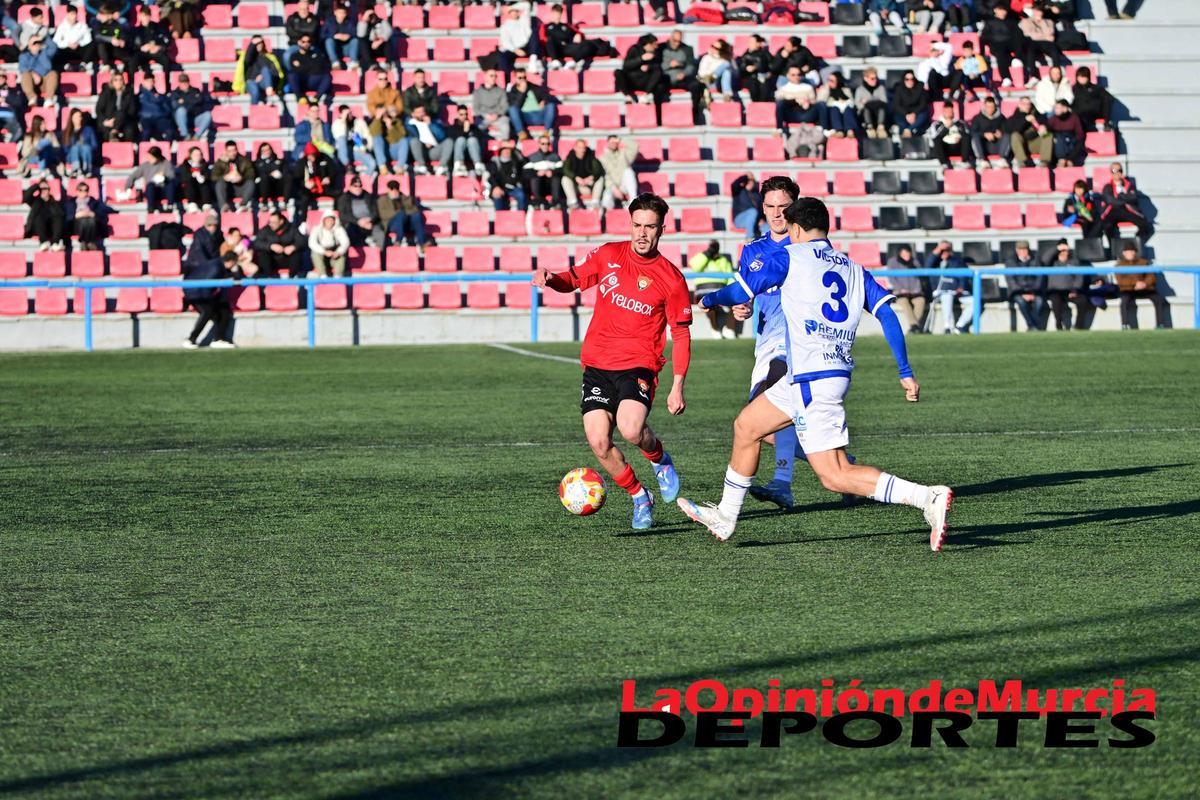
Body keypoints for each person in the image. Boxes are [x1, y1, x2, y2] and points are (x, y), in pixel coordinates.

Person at [678, 197, 952, 551]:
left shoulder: (789, 256)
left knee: (835, 475)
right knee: (746, 427)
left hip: (813, 378)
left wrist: (708, 300)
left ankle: (927, 497)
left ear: (794, 228)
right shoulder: (853, 268)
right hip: (814, 372)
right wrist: (904, 370)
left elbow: (741, 291)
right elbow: (887, 314)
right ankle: (726, 517)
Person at [531, 193, 691, 531]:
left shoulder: (671, 278)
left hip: (638, 364)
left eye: (650, 227)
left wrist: (677, 385)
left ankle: (660, 459)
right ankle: (638, 496)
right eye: (637, 226)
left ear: (662, 228)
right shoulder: (608, 254)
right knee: (599, 442)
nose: (642, 233)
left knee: (632, 429)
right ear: (629, 224)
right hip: (598, 364)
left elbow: (682, 333)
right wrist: (551, 278)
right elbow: (573, 279)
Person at [182, 250, 239, 350]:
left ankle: (219, 339)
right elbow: (206, 287)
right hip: (195, 294)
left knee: (224, 310)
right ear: (231, 262)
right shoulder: (216, 268)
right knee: (207, 311)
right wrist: (211, 301)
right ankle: (191, 339)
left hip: (197, 292)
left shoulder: (218, 264)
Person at [689, 239, 738, 339]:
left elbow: (730, 277)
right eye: (712, 247)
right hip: (703, 290)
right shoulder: (701, 257)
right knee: (709, 304)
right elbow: (695, 267)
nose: (714, 249)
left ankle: (729, 329)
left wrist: (732, 292)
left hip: (720, 290)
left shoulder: (723, 260)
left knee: (737, 301)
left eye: (715, 247)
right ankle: (715, 329)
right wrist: (708, 253)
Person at [1115, 241, 1168, 330]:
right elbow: (1121, 281)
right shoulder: (1119, 265)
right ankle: (1125, 325)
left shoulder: (1143, 262)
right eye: (1128, 251)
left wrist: (1144, 284)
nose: (1130, 253)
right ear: (1123, 253)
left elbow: (1151, 276)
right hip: (1128, 290)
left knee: (1158, 299)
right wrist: (1135, 283)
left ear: (1135, 252)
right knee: (1124, 302)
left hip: (1145, 289)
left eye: (1132, 251)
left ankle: (1160, 324)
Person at [1099, 163, 1153, 244]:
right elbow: (1110, 200)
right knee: (1107, 226)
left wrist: (1119, 196)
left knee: (1145, 225)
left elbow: (1133, 197)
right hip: (1112, 211)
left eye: (1120, 170)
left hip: (1127, 210)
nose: (1117, 173)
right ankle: (1114, 250)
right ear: (1111, 172)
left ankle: (1133, 246)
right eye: (1114, 170)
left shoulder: (1129, 185)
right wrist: (1125, 197)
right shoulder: (1107, 187)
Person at [928, 240, 972, 333]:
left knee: (975, 301)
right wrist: (939, 249)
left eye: (946, 250)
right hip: (941, 293)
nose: (944, 252)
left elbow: (963, 277)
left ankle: (960, 325)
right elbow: (927, 265)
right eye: (942, 250)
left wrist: (961, 287)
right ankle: (947, 326)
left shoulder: (957, 262)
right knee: (946, 295)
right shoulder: (934, 262)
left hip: (957, 292)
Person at [1043, 239, 1087, 330]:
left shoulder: (1073, 261)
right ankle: (1059, 325)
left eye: (1065, 250)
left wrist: (1074, 289)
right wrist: (1057, 249)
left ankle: (1078, 327)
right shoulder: (1051, 262)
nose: (1063, 253)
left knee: (1082, 301)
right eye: (1061, 251)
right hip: (1055, 291)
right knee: (1056, 301)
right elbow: (1044, 259)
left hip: (1070, 291)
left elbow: (1079, 277)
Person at [980, 4, 1027, 88]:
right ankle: (1006, 77)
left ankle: (1017, 59)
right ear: (995, 10)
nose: (1003, 12)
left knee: (1020, 40)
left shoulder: (1011, 21)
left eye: (1004, 10)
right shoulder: (990, 22)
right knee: (1000, 53)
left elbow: (1018, 34)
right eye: (1000, 10)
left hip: (1009, 43)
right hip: (996, 44)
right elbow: (984, 37)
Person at [886, 245, 928, 334]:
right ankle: (914, 326)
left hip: (915, 292)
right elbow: (891, 278)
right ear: (900, 254)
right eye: (904, 254)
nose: (907, 256)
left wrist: (916, 289)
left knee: (921, 301)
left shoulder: (915, 262)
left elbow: (919, 278)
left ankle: (913, 327)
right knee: (904, 302)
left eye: (908, 253)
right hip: (900, 292)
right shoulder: (892, 262)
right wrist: (901, 289)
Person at [1005, 240, 1046, 331]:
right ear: (1017, 250)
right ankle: (1032, 325)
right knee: (1021, 302)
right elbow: (1011, 281)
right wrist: (1022, 293)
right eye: (1021, 249)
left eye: (1025, 249)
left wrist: (1033, 292)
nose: (1023, 252)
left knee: (1039, 301)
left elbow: (1040, 278)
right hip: (1017, 292)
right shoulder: (1010, 261)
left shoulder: (1036, 260)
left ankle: (1033, 326)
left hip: (1034, 291)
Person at [507, 68, 557, 142]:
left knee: (551, 106)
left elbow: (547, 97)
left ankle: (546, 132)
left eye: (524, 77)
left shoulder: (533, 87)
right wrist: (522, 92)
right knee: (512, 109)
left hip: (539, 114)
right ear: (515, 78)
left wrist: (544, 101)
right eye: (520, 78)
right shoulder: (512, 91)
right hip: (524, 117)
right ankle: (521, 132)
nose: (523, 80)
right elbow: (516, 106)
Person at [378, 180, 430, 250]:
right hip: (391, 223)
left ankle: (422, 243)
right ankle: (398, 240)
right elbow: (383, 214)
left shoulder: (405, 198)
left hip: (407, 223)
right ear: (388, 190)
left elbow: (414, 210)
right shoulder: (382, 200)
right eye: (392, 189)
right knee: (401, 215)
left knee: (417, 216)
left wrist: (403, 212)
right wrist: (398, 213)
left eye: (396, 189)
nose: (394, 191)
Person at [234, 35, 284, 106]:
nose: (259, 45)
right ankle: (255, 109)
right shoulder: (249, 57)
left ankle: (269, 92)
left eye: (260, 43)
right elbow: (247, 59)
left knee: (265, 70)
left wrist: (263, 76)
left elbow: (275, 72)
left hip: (264, 82)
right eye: (256, 44)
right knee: (255, 92)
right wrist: (253, 45)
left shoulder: (269, 57)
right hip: (251, 81)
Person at [335, 175, 384, 248]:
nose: (358, 188)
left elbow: (375, 212)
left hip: (369, 223)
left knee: (380, 233)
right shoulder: (343, 198)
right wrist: (358, 221)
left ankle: (381, 256)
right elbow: (343, 215)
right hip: (353, 224)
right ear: (350, 186)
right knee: (351, 231)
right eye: (355, 186)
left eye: (360, 186)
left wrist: (370, 220)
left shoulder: (368, 196)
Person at [123, 144, 176, 210]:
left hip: (163, 190)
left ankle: (170, 205)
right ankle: (151, 207)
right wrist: (127, 188)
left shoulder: (166, 164)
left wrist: (163, 177)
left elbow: (171, 176)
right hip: (151, 191)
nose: (150, 159)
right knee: (150, 185)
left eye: (152, 157)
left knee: (170, 184)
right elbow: (133, 176)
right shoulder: (145, 165)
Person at [617, 34, 665, 106]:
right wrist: (641, 59)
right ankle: (628, 96)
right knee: (618, 72)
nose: (656, 46)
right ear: (648, 45)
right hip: (633, 80)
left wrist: (649, 67)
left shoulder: (656, 52)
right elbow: (626, 65)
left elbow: (658, 66)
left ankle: (645, 95)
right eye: (654, 44)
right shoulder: (634, 49)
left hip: (646, 81)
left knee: (658, 73)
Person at [253, 210, 304, 277]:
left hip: (287, 259)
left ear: (281, 221)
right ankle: (268, 277)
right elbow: (257, 243)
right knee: (262, 253)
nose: (271, 224)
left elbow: (302, 241)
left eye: (274, 222)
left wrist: (293, 247)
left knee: (297, 253)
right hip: (272, 260)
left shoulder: (292, 229)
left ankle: (293, 277)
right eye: (270, 222)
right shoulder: (265, 230)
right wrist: (270, 246)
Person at [404, 105, 451, 176]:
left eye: (423, 112)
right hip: (419, 151)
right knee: (414, 141)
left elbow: (442, 136)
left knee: (449, 141)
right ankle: (421, 167)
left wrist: (431, 124)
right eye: (419, 112)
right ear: (413, 114)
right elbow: (409, 138)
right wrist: (423, 143)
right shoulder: (409, 124)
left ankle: (442, 167)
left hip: (434, 150)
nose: (422, 114)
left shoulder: (434, 122)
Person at [495, 1, 540, 74]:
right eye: (512, 11)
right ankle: (508, 79)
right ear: (509, 13)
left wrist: (510, 7)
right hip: (514, 50)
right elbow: (505, 42)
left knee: (534, 32)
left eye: (516, 10)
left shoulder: (524, 19)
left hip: (527, 48)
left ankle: (532, 62)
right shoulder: (505, 26)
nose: (515, 12)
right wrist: (516, 50)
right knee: (502, 56)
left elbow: (527, 5)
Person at [287, 33, 333, 105]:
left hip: (314, 80)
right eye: (303, 42)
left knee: (327, 76)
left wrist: (301, 66)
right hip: (302, 82)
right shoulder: (294, 56)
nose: (306, 44)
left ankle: (316, 98)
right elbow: (294, 70)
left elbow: (321, 68)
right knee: (291, 75)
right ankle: (299, 98)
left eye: (308, 41)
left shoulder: (316, 54)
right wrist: (310, 66)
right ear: (299, 42)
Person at [293, 141, 336, 216]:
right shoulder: (301, 163)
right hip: (309, 189)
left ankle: (335, 215)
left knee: (339, 195)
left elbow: (333, 171)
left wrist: (329, 178)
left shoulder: (324, 158)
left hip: (324, 187)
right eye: (310, 155)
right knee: (304, 198)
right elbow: (296, 178)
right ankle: (303, 221)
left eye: (314, 154)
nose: (312, 157)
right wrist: (304, 183)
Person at [522, 135, 565, 210]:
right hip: (538, 187)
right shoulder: (532, 157)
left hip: (551, 186)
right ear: (539, 144)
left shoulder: (555, 157)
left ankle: (556, 204)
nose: (545, 146)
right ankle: (538, 204)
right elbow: (525, 173)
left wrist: (552, 172)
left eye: (548, 144)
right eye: (543, 143)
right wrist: (537, 173)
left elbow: (562, 171)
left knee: (556, 179)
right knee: (534, 179)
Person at [211, 141, 256, 212]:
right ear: (226, 151)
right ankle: (224, 207)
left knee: (251, 183)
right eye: (230, 151)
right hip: (227, 189)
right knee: (219, 183)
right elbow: (213, 177)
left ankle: (243, 205)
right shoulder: (220, 162)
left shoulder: (244, 160)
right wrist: (225, 177)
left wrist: (241, 178)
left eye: (234, 150)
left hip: (240, 188)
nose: (233, 152)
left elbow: (251, 174)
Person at [561, 138, 605, 210]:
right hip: (576, 187)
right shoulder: (570, 157)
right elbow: (565, 170)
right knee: (565, 179)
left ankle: (595, 202)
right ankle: (573, 203)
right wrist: (576, 178)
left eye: (584, 148)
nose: (582, 150)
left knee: (600, 178)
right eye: (580, 147)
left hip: (588, 186)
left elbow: (598, 170)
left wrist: (591, 177)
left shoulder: (591, 156)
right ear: (575, 148)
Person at [1006, 96, 1050, 167]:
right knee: (1014, 135)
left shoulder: (1037, 115)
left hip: (1035, 144)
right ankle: (1021, 162)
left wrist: (1044, 127)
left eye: (1028, 104)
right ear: (1019, 105)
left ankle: (1044, 162)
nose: (1027, 106)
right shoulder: (1013, 118)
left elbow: (1047, 124)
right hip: (1021, 146)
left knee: (1048, 135)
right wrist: (1025, 120)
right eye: (1024, 104)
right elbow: (1011, 130)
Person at [331, 104, 377, 173]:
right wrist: (344, 121)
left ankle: (362, 178)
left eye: (349, 113)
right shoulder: (337, 124)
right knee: (341, 140)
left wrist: (365, 148)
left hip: (358, 149)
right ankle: (347, 165)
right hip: (344, 152)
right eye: (346, 114)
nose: (348, 115)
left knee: (372, 164)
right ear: (340, 114)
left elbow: (367, 136)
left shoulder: (359, 122)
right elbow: (340, 138)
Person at [23, 179, 66, 251]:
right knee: (38, 217)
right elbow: (26, 197)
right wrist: (37, 186)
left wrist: (51, 201)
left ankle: (55, 243)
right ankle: (43, 242)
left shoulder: (54, 202)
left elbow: (60, 214)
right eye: (42, 189)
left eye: (46, 188)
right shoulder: (35, 201)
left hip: (51, 229)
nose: (44, 190)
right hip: (38, 228)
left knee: (58, 217)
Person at [95, 72, 138, 143]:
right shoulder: (106, 92)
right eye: (116, 80)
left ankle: (114, 131)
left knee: (129, 129)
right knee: (102, 130)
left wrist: (117, 120)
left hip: (125, 120)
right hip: (108, 119)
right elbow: (99, 109)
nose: (118, 82)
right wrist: (105, 121)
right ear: (112, 82)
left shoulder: (129, 93)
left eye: (120, 80)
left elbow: (132, 111)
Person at [598, 135, 638, 210]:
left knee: (628, 171)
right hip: (611, 187)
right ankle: (606, 215)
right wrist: (614, 189)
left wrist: (621, 139)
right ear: (607, 143)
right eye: (612, 142)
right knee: (607, 198)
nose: (614, 143)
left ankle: (633, 201)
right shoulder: (601, 158)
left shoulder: (624, 154)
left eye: (615, 142)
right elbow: (604, 176)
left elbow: (635, 147)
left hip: (624, 186)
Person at [471, 68, 511, 142]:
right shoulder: (477, 92)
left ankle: (504, 149)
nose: (494, 78)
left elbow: (505, 106)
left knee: (506, 127)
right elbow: (475, 108)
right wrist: (486, 115)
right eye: (491, 76)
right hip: (483, 117)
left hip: (498, 117)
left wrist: (496, 115)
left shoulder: (501, 91)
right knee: (476, 130)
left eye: (495, 76)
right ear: (485, 77)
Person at [1019, 3, 1064, 69]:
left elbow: (1050, 34)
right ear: (1033, 11)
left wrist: (1042, 22)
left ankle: (1056, 70)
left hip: (1046, 43)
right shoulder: (1025, 21)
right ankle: (1033, 74)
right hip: (1033, 43)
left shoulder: (1049, 22)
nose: (1038, 13)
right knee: (1030, 49)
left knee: (1055, 50)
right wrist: (1045, 37)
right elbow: (1029, 34)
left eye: (1040, 11)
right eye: (1036, 10)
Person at [444, 106, 485, 177]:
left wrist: (469, 130)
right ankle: (459, 166)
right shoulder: (452, 128)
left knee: (472, 139)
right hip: (457, 155)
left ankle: (478, 165)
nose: (464, 116)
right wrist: (465, 131)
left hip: (472, 155)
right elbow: (452, 141)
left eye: (466, 114)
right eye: (461, 114)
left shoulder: (473, 128)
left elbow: (479, 139)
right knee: (461, 139)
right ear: (457, 115)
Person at [129, 5, 170, 76]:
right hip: (142, 52)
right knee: (132, 61)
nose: (146, 17)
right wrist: (141, 48)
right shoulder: (135, 30)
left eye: (148, 15)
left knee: (166, 61)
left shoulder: (158, 27)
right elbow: (132, 44)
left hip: (155, 51)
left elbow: (165, 39)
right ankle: (133, 84)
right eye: (144, 15)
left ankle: (166, 84)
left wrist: (159, 47)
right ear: (140, 16)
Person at [18, 36, 58, 108]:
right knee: (25, 74)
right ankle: (32, 98)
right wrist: (33, 73)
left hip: (45, 82)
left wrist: (44, 39)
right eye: (34, 43)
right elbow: (22, 68)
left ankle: (48, 99)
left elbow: (54, 47)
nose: (36, 45)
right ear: (29, 45)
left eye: (38, 43)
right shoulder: (24, 55)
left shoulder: (45, 53)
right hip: (31, 83)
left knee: (53, 73)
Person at [308, 210, 350, 278]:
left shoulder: (339, 229)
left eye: (331, 220)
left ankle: (338, 276)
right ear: (323, 220)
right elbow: (312, 243)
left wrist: (338, 252)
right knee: (314, 253)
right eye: (327, 220)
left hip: (334, 255)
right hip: (322, 256)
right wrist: (324, 252)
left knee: (342, 255)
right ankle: (323, 275)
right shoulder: (316, 229)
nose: (330, 222)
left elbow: (345, 242)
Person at [169, 74, 212, 141]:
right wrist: (191, 101)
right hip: (181, 120)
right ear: (179, 83)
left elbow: (200, 100)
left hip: (194, 118)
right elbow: (174, 105)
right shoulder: (175, 93)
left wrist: (184, 102)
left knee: (208, 115)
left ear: (188, 82)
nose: (184, 84)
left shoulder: (195, 90)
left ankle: (196, 136)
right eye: (182, 82)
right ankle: (185, 135)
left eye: (186, 82)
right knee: (181, 111)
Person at [970, 96, 1010, 166]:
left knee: (1007, 136)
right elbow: (972, 132)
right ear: (985, 106)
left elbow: (1006, 129)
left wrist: (1001, 133)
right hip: (983, 146)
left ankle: (1002, 159)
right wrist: (984, 134)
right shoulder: (977, 118)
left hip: (997, 145)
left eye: (992, 107)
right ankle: (982, 159)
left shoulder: (1001, 117)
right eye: (988, 107)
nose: (990, 109)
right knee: (975, 137)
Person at [487, 142, 527, 211]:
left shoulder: (515, 161)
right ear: (500, 151)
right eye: (504, 149)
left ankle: (521, 215)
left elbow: (524, 161)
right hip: (500, 187)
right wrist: (496, 187)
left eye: (509, 149)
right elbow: (491, 177)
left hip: (513, 187)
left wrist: (514, 148)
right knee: (497, 195)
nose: (507, 151)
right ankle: (500, 216)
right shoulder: (495, 162)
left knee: (521, 194)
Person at [52, 5, 94, 71]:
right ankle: (66, 66)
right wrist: (67, 44)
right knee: (56, 49)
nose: (74, 17)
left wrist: (79, 43)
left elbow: (88, 39)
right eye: (72, 14)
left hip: (79, 49)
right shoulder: (61, 26)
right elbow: (55, 41)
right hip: (67, 50)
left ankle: (83, 65)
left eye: (75, 14)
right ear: (68, 14)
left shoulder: (83, 26)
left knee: (92, 44)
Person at [1071, 67, 1113, 132]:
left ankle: (1106, 123)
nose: (1082, 79)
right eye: (1080, 77)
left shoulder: (1096, 88)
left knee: (1106, 98)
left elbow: (1108, 97)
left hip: (1094, 113)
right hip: (1080, 114)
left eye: (1084, 76)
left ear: (1088, 77)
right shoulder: (1073, 89)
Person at [65, 180, 104, 250]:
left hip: (91, 222)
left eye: (85, 190)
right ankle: (87, 242)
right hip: (76, 224)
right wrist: (78, 215)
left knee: (91, 220)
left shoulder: (93, 201)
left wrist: (92, 214)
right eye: (81, 190)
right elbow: (69, 216)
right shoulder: (71, 202)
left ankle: (87, 242)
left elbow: (100, 213)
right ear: (77, 191)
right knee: (83, 221)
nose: (83, 192)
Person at [251, 143, 291, 211]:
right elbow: (255, 175)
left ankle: (285, 202)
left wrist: (280, 174)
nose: (266, 152)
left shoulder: (279, 161)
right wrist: (270, 174)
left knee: (288, 176)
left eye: (268, 150)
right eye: (264, 150)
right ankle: (264, 203)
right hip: (263, 189)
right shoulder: (256, 163)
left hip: (277, 187)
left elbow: (285, 171)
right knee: (264, 177)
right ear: (260, 152)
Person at [1046, 99, 1084, 168]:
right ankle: (1061, 160)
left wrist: (1070, 157)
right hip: (1057, 148)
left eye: (1057, 108)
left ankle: (1065, 160)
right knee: (1058, 138)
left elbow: (1080, 137)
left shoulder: (1074, 118)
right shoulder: (1053, 119)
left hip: (1071, 147)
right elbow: (1046, 135)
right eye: (1055, 108)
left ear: (1064, 108)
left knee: (1070, 163)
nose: (1055, 110)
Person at [737, 35, 774, 103]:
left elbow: (772, 66)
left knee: (764, 85)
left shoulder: (765, 54)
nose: (749, 44)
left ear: (758, 43)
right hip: (750, 78)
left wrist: (768, 72)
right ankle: (756, 105)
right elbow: (741, 67)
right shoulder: (746, 54)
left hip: (763, 77)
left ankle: (762, 105)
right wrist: (746, 68)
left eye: (752, 42)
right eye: (749, 42)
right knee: (753, 84)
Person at [892, 70, 930, 137]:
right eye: (907, 79)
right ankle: (907, 131)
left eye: (912, 79)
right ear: (903, 80)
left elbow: (923, 104)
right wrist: (906, 114)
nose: (910, 81)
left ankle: (908, 130)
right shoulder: (899, 88)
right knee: (897, 116)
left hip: (917, 111)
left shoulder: (920, 86)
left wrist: (913, 114)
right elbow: (897, 105)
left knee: (924, 113)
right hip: (903, 112)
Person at [855, 67, 889, 139]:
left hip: (878, 112)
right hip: (865, 114)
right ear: (866, 78)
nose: (875, 80)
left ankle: (880, 128)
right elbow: (858, 105)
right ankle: (870, 128)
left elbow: (884, 101)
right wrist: (874, 102)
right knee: (866, 109)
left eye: (876, 78)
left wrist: (868, 102)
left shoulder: (881, 88)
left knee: (881, 109)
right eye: (872, 78)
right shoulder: (860, 90)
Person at [322, 2, 359, 70]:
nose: (341, 15)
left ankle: (353, 62)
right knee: (328, 41)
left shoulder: (350, 22)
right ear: (335, 12)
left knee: (355, 40)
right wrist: (334, 36)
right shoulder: (329, 22)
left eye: (343, 13)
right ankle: (335, 63)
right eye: (339, 12)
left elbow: (355, 33)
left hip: (346, 48)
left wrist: (348, 36)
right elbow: (322, 35)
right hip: (335, 48)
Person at [61, 109, 97, 177]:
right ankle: (76, 169)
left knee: (86, 147)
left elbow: (94, 145)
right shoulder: (67, 132)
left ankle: (86, 170)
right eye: (76, 117)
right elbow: (65, 149)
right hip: (71, 155)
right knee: (75, 148)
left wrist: (84, 147)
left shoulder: (88, 130)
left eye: (80, 116)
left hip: (86, 153)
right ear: (72, 118)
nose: (79, 119)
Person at [697, 39, 735, 104]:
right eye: (712, 46)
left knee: (727, 70)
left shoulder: (723, 60)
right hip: (707, 82)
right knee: (726, 66)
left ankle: (727, 96)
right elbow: (701, 73)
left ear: (721, 50)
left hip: (719, 82)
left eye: (716, 48)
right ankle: (727, 94)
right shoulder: (706, 57)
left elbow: (735, 73)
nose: (713, 49)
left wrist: (714, 75)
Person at [283, 0, 320, 67]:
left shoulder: (315, 18)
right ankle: (291, 74)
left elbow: (314, 31)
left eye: (306, 8)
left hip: (311, 45)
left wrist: (305, 40)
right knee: (287, 55)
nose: (303, 11)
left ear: (309, 9)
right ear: (298, 9)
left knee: (318, 57)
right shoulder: (291, 18)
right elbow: (289, 32)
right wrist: (301, 39)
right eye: (301, 9)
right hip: (295, 44)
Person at [178, 145, 214, 211]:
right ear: (190, 155)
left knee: (205, 183)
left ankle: (207, 205)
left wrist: (202, 177)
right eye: (195, 155)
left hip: (202, 190)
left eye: (199, 154)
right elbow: (184, 178)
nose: (198, 156)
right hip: (189, 190)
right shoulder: (185, 165)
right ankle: (192, 204)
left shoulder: (204, 164)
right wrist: (192, 175)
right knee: (189, 182)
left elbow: (208, 176)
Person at [730, 174, 763, 240]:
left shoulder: (757, 195)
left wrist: (762, 220)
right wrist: (745, 177)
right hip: (740, 219)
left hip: (754, 221)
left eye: (752, 180)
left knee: (767, 227)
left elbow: (761, 210)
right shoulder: (738, 191)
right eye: (748, 180)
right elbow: (734, 184)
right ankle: (749, 237)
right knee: (752, 211)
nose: (750, 182)